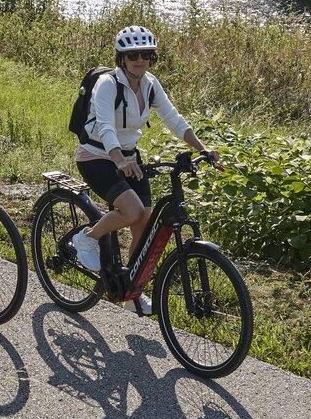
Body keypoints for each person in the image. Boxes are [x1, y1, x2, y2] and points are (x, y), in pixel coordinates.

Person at [74, 25, 217, 312]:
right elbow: (104, 126)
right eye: (132, 55)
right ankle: (87, 238)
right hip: (96, 156)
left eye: (146, 54)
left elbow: (174, 119)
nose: (139, 60)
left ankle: (131, 291)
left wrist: (202, 149)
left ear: (153, 57)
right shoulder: (107, 84)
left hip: (128, 157)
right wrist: (119, 160)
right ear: (121, 58)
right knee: (133, 211)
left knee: (145, 219)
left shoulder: (150, 84)